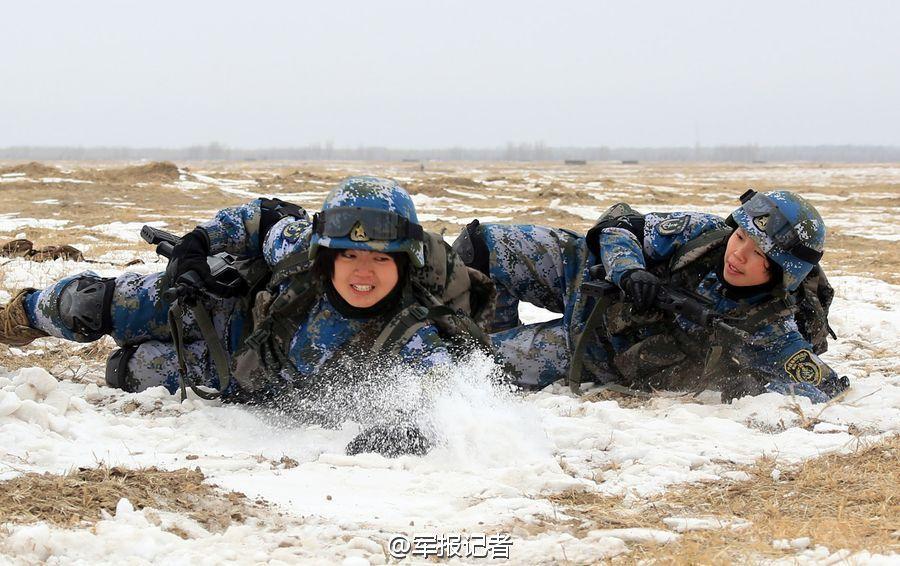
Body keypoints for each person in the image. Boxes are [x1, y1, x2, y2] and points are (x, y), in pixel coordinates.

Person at [0, 176, 490, 455]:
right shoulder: (298, 246)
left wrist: (410, 432)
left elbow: (443, 395)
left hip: (237, 379)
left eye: (381, 259)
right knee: (85, 305)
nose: (363, 272)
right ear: (326, 255)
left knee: (129, 371)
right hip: (213, 305)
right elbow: (259, 218)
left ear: (403, 263)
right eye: (348, 256)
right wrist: (198, 246)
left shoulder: (414, 328)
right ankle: (18, 317)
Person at [453, 189, 848, 403]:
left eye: (758, 254)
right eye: (741, 236)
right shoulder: (704, 234)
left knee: (467, 365)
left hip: (592, 347)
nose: (738, 254)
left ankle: (488, 347)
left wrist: (750, 387)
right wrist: (630, 270)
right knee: (478, 247)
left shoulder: (769, 327)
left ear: (782, 273)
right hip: (586, 273)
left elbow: (826, 388)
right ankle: (489, 328)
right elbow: (620, 225)